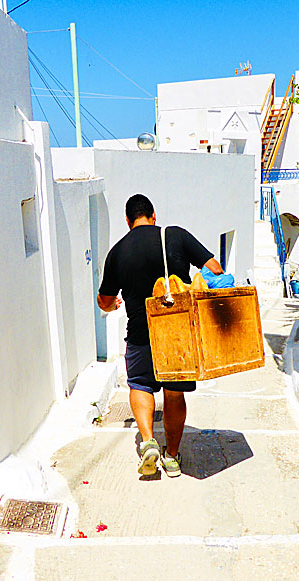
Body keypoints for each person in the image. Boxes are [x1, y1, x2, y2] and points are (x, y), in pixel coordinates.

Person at [97, 193, 223, 477]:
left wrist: (113, 302)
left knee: (140, 385)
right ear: (154, 216)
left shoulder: (117, 252)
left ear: (128, 221)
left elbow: (105, 300)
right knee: (174, 395)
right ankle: (173, 456)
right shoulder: (175, 236)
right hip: (178, 335)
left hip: (140, 334)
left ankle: (148, 441)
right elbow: (215, 269)